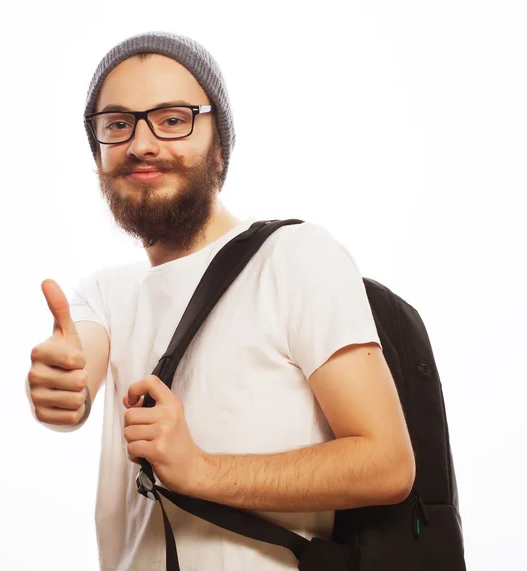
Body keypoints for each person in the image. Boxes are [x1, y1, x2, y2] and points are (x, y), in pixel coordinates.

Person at [26, 31, 415, 571]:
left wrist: (202, 470)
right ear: (98, 155)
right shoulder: (105, 295)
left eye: (172, 118)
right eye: (117, 124)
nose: (142, 143)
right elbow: (76, 374)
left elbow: (388, 464)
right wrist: (60, 388)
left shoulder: (295, 257)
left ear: (220, 145)